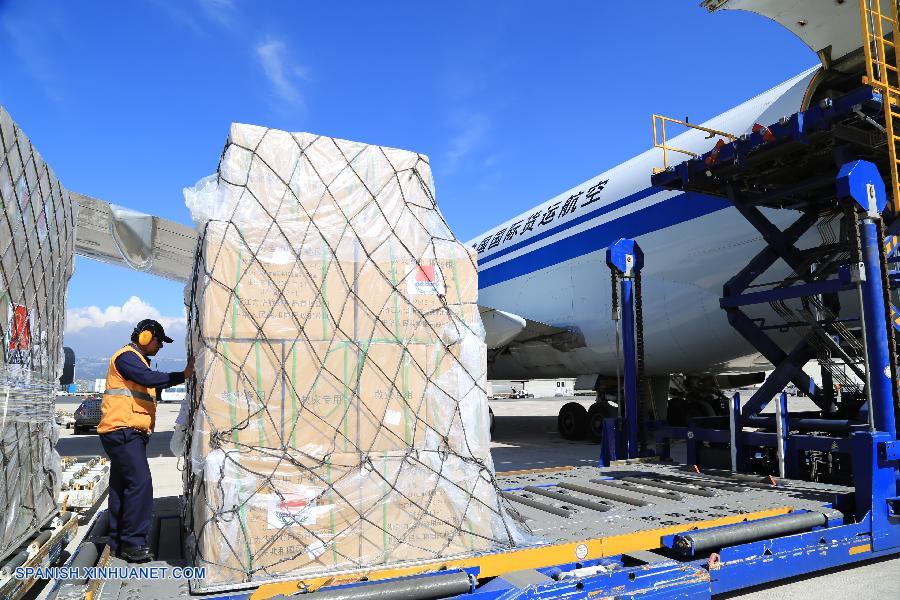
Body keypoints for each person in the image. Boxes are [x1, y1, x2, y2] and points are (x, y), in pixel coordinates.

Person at [97, 319, 193, 563]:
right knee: (140, 484)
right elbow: (149, 379)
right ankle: (133, 543)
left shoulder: (138, 360)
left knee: (122, 486)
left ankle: (118, 540)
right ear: (145, 337)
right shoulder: (127, 357)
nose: (160, 346)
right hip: (123, 431)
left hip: (127, 432)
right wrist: (184, 375)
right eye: (159, 341)